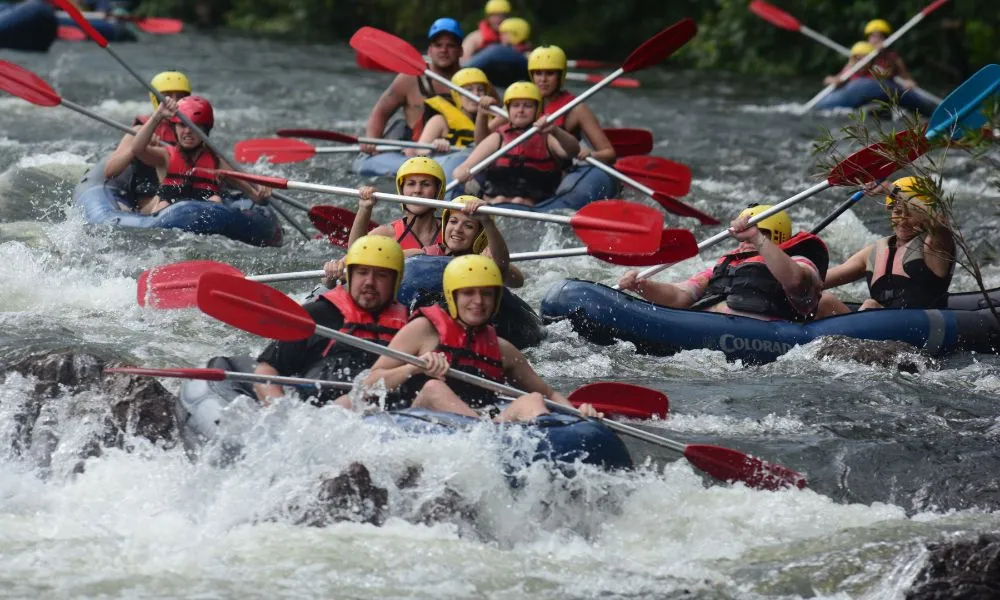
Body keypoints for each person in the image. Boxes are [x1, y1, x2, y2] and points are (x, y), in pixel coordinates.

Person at [364, 254, 599, 422]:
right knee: (434, 388)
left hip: (481, 428)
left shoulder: (501, 349)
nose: (478, 301)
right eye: (468, 293)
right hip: (416, 419)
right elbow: (367, 385)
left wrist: (579, 415)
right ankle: (486, 430)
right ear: (452, 296)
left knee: (533, 399)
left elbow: (549, 394)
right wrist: (412, 368)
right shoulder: (423, 330)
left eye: (486, 294)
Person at [254, 236, 409, 408]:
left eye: (381, 275)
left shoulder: (411, 328)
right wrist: (279, 411)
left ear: (396, 281)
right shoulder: (317, 315)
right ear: (350, 275)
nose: (369, 282)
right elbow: (266, 370)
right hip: (315, 413)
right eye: (362, 272)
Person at [617, 205, 829, 321]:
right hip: (706, 330)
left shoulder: (799, 262)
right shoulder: (726, 266)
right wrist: (642, 286)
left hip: (760, 337)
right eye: (743, 237)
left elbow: (794, 280)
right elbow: (680, 295)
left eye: (754, 235)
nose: (745, 242)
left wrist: (757, 238)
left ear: (775, 236)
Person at [818, 177, 954, 315]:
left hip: (921, 328)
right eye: (897, 212)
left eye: (910, 214)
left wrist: (892, 190)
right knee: (823, 301)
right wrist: (799, 270)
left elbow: (938, 220)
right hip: (876, 327)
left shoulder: (935, 245)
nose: (902, 220)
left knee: (870, 305)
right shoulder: (874, 252)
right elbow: (820, 281)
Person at [128, 95, 271, 214]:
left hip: (205, 217)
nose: (188, 131)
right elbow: (137, 149)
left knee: (215, 200)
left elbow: (256, 197)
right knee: (162, 205)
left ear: (205, 130)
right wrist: (157, 116)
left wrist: (263, 193)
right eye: (182, 125)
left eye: (194, 126)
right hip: (168, 214)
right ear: (175, 128)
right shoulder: (165, 156)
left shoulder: (217, 162)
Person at [452, 81, 579, 206]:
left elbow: (572, 151)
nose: (521, 110)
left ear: (537, 109)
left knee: (519, 202)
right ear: (508, 109)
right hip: (496, 203)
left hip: (535, 206)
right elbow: (464, 167)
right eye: (516, 105)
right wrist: (461, 172)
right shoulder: (498, 137)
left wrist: (556, 131)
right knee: (499, 199)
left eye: (527, 106)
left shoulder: (548, 135)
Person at [362, 17, 464, 152]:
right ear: (430, 50)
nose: (443, 50)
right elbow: (381, 111)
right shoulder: (410, 79)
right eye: (438, 45)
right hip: (414, 152)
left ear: (460, 51)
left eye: (450, 45)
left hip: (457, 151)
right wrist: (371, 140)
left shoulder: (473, 81)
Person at [104, 70, 191, 213]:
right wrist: (141, 145)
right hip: (149, 201)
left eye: (180, 97)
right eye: (167, 97)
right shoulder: (139, 130)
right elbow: (110, 171)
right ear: (155, 98)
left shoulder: (191, 132)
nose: (174, 102)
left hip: (185, 196)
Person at [527, 45, 616, 165]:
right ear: (532, 76)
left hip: (564, 171)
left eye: (550, 73)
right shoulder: (523, 105)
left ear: (560, 76)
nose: (543, 79)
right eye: (538, 73)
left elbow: (609, 153)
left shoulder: (577, 109)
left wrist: (592, 154)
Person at [345, 156, 445, 253]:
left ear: (438, 191)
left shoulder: (451, 232)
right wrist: (364, 209)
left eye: (426, 184)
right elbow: (355, 253)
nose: (417, 190)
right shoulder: (387, 235)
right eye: (411, 184)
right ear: (402, 191)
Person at [406, 67, 493, 156]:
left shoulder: (492, 121)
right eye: (469, 90)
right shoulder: (439, 121)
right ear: (457, 95)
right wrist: (434, 148)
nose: (476, 94)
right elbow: (419, 151)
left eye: (480, 90)